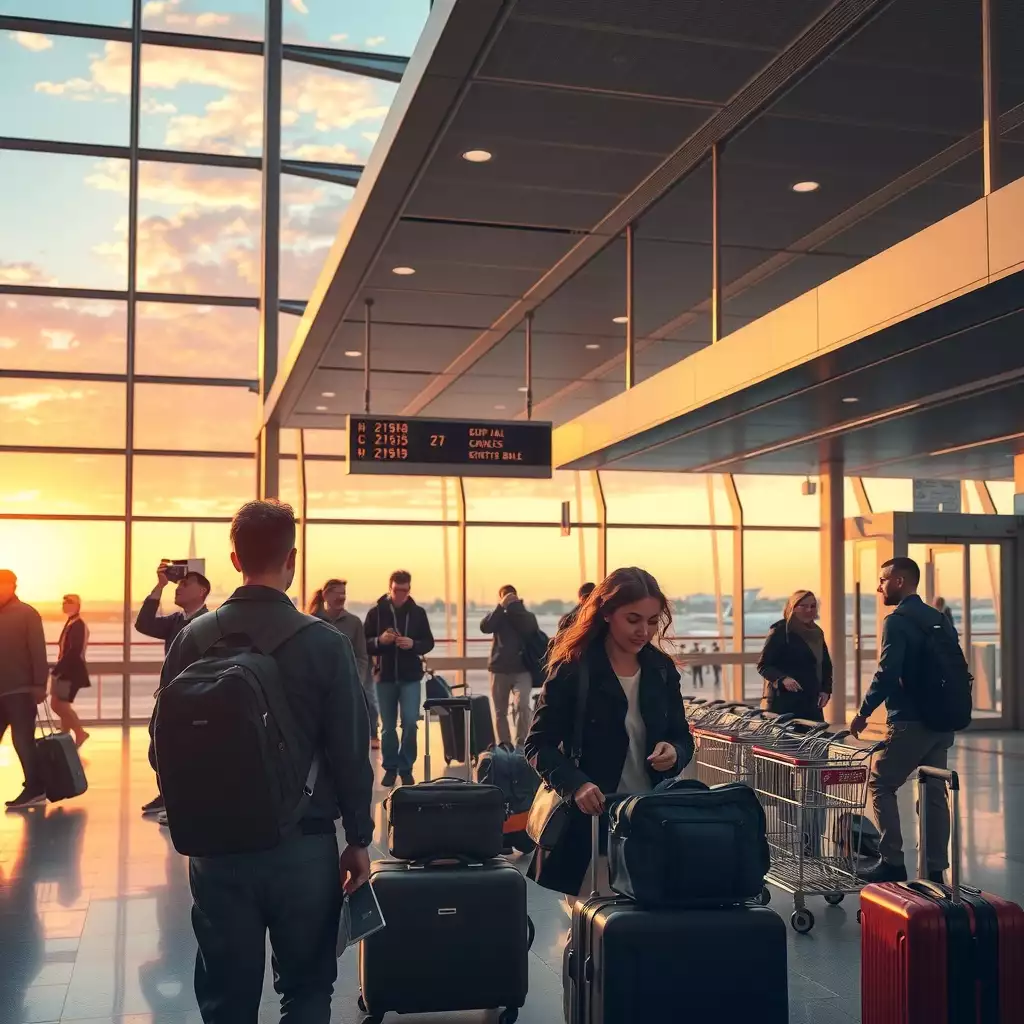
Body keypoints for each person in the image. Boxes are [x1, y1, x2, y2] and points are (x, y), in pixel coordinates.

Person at [152, 499, 373, 1022]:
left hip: (215, 851)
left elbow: (159, 749)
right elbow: (350, 751)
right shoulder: (326, 643)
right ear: (292, 559)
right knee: (306, 990)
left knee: (227, 998)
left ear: (233, 559)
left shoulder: (192, 639)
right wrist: (359, 839)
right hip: (303, 846)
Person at [525, 567, 695, 900]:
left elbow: (681, 736)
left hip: (647, 819)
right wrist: (576, 785)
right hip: (592, 824)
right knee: (594, 928)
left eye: (651, 621)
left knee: (643, 930)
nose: (643, 631)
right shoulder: (574, 669)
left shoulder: (661, 670)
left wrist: (674, 751)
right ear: (606, 614)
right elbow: (538, 744)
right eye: (633, 619)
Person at [851, 557, 956, 884]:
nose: (878, 587)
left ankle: (892, 860)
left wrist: (863, 712)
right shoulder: (938, 618)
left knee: (881, 783)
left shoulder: (896, 621)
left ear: (898, 581)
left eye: (882, 580)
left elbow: (886, 672)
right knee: (933, 792)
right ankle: (936, 869)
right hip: (941, 722)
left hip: (909, 720)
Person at [136, 563, 211, 817]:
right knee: (158, 746)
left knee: (188, 750)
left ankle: (182, 803)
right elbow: (143, 623)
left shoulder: (209, 623)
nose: (178, 589)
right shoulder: (176, 621)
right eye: (177, 585)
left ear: (202, 591)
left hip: (195, 698)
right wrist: (160, 585)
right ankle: (169, 797)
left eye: (184, 584)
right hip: (170, 696)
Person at [365, 570, 435, 788]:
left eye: (404, 591)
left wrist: (413, 644)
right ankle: (390, 768)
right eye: (397, 590)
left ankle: (406, 768)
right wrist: (380, 640)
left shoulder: (418, 613)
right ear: (390, 588)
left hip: (410, 677)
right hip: (384, 676)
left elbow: (428, 642)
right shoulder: (376, 613)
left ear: (409, 590)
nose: (400, 595)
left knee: (411, 723)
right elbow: (364, 643)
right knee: (387, 726)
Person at [308, 579, 377, 749]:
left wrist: (358, 681)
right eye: (338, 593)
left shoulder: (354, 623)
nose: (342, 597)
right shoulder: (312, 621)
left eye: (344, 593)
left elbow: (362, 655)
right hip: (319, 685)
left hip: (347, 684)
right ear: (326, 595)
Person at [0, 569, 48, 809]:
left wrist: (40, 684)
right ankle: (34, 785)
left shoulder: (27, 613)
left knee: (22, 741)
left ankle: (34, 786)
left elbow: (38, 650)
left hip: (20, 690)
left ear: (13, 586)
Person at [756, 590, 833, 722]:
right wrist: (782, 679)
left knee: (814, 740)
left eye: (813, 606)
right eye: (803, 606)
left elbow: (825, 665)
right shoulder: (780, 631)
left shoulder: (817, 633)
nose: (809, 610)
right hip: (783, 704)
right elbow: (763, 665)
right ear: (792, 607)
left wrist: (826, 690)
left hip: (810, 703)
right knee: (787, 742)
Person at [481, 585, 539, 750]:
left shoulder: (525, 616)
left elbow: (531, 628)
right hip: (499, 669)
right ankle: (504, 744)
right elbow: (486, 627)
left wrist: (516, 608)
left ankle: (522, 743)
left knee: (522, 705)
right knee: (500, 711)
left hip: (522, 669)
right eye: (505, 597)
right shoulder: (497, 617)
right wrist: (501, 607)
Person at [49, 594, 91, 748]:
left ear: (77, 605)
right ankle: (65, 736)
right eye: (64, 602)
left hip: (70, 672)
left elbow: (74, 651)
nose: (65, 604)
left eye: (69, 602)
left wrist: (57, 670)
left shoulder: (78, 625)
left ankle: (79, 732)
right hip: (67, 670)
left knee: (58, 705)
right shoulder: (71, 622)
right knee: (61, 704)